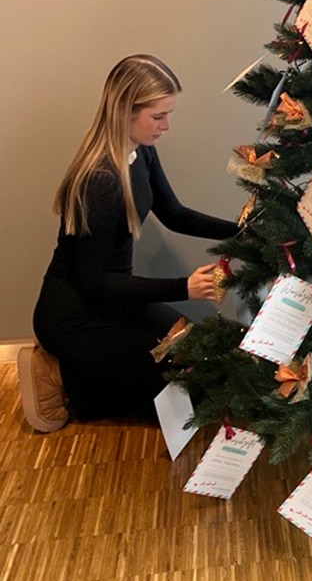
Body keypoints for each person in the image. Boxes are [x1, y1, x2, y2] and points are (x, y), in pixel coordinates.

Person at [18, 54, 239, 431]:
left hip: (116, 301)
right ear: (124, 111)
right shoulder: (99, 180)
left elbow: (174, 213)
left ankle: (90, 371)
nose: (166, 125)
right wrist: (183, 287)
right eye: (158, 116)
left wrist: (240, 232)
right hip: (77, 316)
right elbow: (94, 281)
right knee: (187, 393)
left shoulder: (142, 152)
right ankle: (58, 374)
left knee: (199, 356)